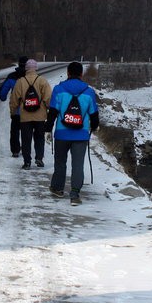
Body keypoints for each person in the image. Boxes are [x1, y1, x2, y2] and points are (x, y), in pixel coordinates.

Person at [46, 61, 99, 205]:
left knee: (60, 162)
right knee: (77, 165)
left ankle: (57, 188)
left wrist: (47, 129)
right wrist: (94, 127)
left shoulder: (59, 89)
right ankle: (74, 195)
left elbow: (53, 112)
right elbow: (94, 114)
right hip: (81, 135)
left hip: (62, 134)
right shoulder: (89, 92)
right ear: (81, 74)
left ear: (68, 73)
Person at [9, 58, 52, 170]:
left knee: (26, 139)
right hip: (40, 115)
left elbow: (14, 100)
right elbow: (48, 99)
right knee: (39, 137)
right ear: (36, 68)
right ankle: (39, 158)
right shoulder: (42, 81)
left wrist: (13, 112)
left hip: (25, 116)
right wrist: (49, 110)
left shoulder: (20, 81)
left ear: (26, 69)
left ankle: (27, 162)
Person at [0, 56, 28, 157]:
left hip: (16, 109)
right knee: (27, 130)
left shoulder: (12, 77)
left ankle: (15, 150)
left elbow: (3, 94)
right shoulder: (33, 76)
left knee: (15, 130)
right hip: (30, 109)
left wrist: (3, 97)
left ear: (18, 64)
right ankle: (26, 148)